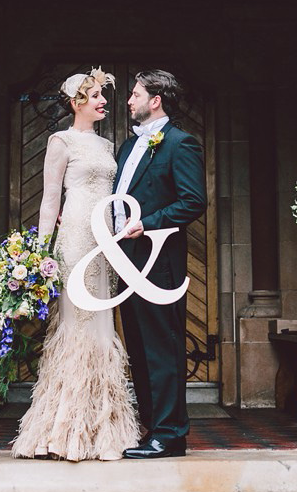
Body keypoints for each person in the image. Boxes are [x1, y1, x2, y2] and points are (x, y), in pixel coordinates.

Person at [12, 67, 139, 461]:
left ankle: (103, 428)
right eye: (96, 96)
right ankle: (63, 430)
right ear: (76, 102)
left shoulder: (107, 145)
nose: (104, 102)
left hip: (104, 242)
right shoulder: (59, 141)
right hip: (74, 241)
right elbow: (50, 199)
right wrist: (40, 250)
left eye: (104, 95)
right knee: (76, 323)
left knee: (101, 325)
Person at [114, 69, 206, 459]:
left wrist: (147, 224)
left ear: (156, 100)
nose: (129, 101)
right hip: (124, 260)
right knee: (138, 346)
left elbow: (193, 201)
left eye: (135, 94)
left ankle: (170, 435)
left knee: (162, 349)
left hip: (158, 263)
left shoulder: (181, 144)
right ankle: (154, 428)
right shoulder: (126, 146)